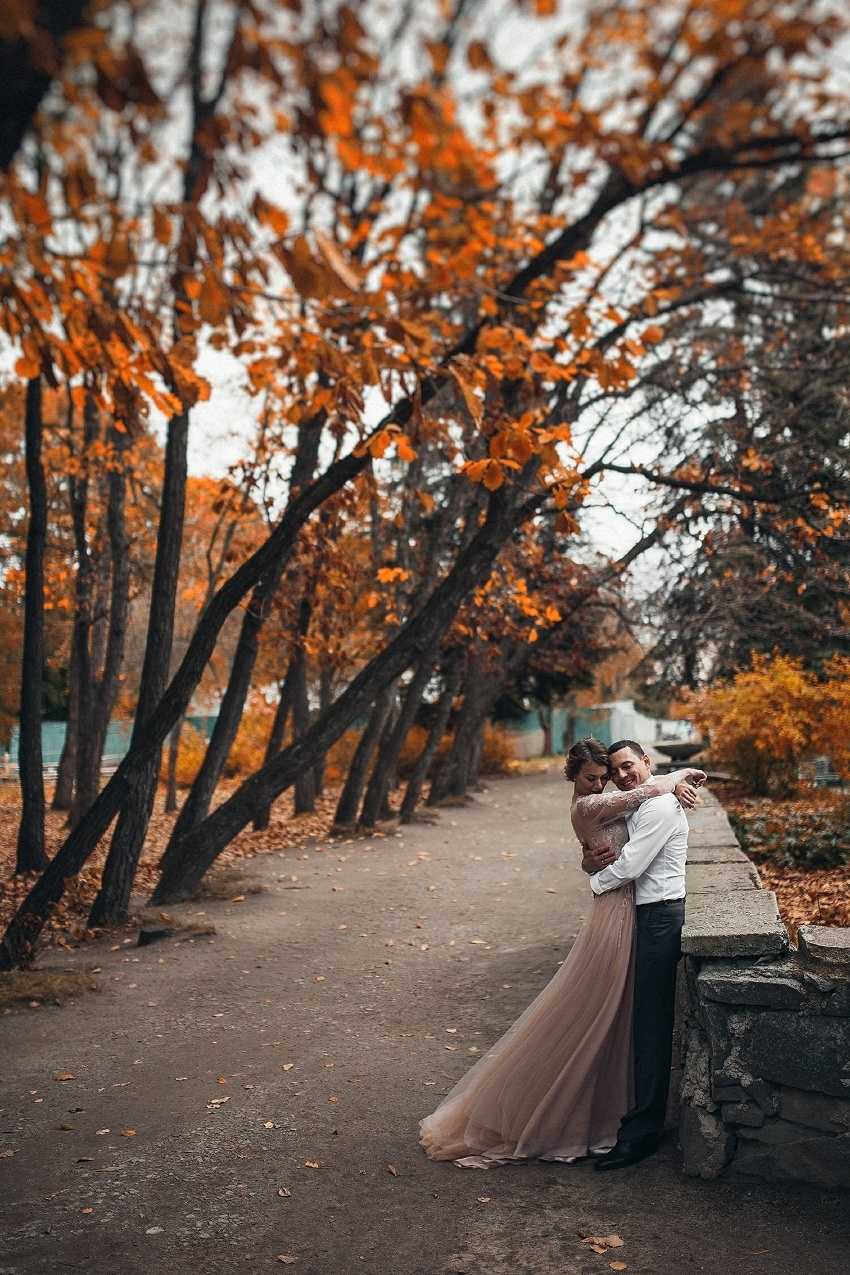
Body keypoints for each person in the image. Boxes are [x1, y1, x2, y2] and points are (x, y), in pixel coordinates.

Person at [418, 737, 705, 1168]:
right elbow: (633, 811)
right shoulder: (605, 803)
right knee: (603, 1014)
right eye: (599, 775)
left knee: (632, 1019)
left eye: (611, 773)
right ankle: (612, 1121)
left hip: (652, 916)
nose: (606, 781)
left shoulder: (645, 804)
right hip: (626, 914)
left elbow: (628, 848)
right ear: (575, 777)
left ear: (644, 762)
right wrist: (678, 776)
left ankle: (630, 1124)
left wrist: (593, 869)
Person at [584, 739, 700, 1172]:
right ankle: (632, 1120)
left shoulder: (662, 808)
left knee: (651, 1026)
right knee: (636, 1021)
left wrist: (595, 886)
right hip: (643, 917)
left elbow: (631, 865)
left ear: (646, 762)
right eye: (615, 771)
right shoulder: (649, 798)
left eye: (628, 765)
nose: (622, 775)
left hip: (661, 919)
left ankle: (642, 1135)